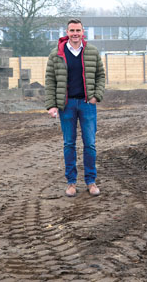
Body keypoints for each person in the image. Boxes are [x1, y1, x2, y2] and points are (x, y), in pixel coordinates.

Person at [46, 18, 106, 197]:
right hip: (67, 105)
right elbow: (50, 80)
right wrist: (51, 105)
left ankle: (91, 182)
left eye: (78, 30)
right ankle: (71, 183)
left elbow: (100, 76)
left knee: (90, 144)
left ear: (83, 32)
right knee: (69, 144)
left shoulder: (92, 52)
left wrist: (97, 96)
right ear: (67, 32)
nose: (75, 34)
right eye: (72, 30)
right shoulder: (56, 54)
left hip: (87, 104)